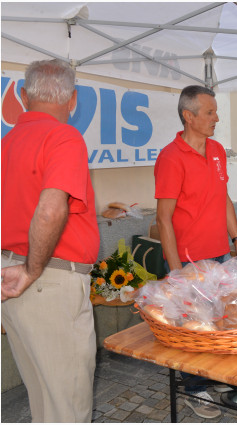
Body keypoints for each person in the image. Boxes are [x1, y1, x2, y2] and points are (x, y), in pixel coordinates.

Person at [1, 59, 99, 422]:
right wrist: (31, 269)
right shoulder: (63, 136)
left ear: (24, 97)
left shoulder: (7, 142)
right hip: (47, 280)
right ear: (72, 100)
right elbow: (50, 210)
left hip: (14, 277)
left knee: (43, 399)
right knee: (66, 407)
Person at [154, 85, 237, 419]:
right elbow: (163, 219)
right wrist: (177, 272)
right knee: (192, 326)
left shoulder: (218, 150)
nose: (216, 118)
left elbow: (223, 197)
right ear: (188, 116)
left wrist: (236, 239)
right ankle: (194, 388)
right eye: (210, 112)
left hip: (220, 253)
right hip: (190, 261)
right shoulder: (170, 157)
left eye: (216, 111)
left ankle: (215, 375)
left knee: (221, 321)